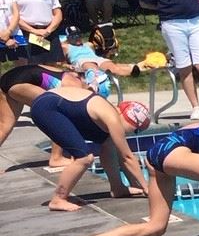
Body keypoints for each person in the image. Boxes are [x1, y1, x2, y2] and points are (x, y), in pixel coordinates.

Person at [22, 62, 156, 212]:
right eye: (136, 130)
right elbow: (127, 157)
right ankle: (58, 199)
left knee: (108, 143)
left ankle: (117, 187)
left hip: (52, 103)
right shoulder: (113, 119)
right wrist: (147, 188)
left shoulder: (112, 113)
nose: (132, 134)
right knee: (84, 158)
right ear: (129, 119)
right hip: (46, 108)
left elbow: (112, 153)